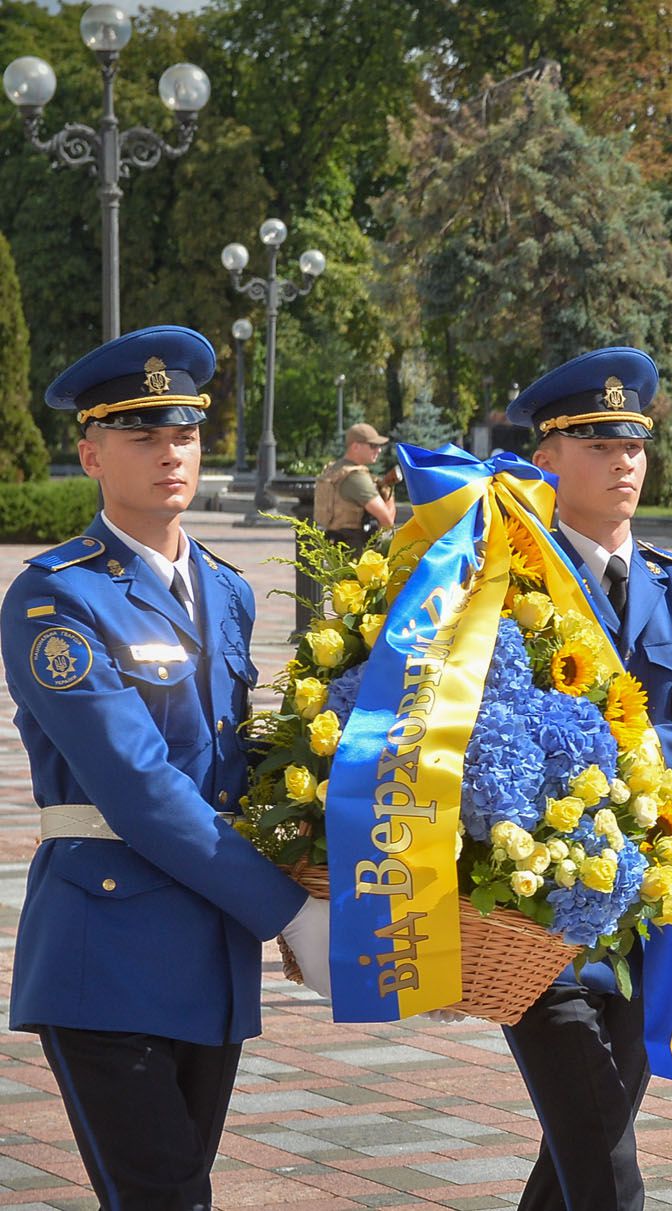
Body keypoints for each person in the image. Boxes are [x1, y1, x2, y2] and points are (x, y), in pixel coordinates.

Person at [0, 326, 329, 1210]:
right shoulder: (56, 596)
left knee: (180, 1193)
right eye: (142, 435)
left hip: (208, 955)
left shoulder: (224, 586)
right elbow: (138, 784)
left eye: (183, 433)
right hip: (106, 952)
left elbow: (228, 759)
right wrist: (288, 910)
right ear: (91, 453)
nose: (170, 454)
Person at [503, 346, 672, 1209]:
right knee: (607, 1165)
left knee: (577, 1157)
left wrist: (609, 739)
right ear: (547, 459)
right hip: (537, 906)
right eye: (597, 443)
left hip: (651, 905)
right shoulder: (504, 586)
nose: (623, 462)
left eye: (635, 445)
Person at [314, 420, 399, 550]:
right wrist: (388, 491)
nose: (379, 450)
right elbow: (387, 521)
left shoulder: (334, 469)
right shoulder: (356, 476)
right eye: (372, 445)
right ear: (355, 447)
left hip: (332, 544)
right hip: (354, 550)